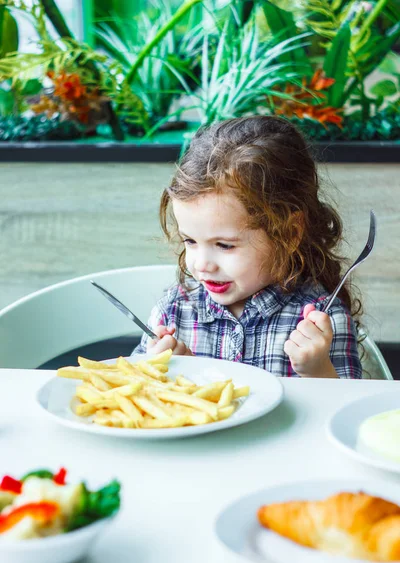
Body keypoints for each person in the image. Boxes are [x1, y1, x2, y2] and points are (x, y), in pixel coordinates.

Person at [133, 116, 362, 378]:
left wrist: (318, 370)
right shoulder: (173, 310)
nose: (201, 264)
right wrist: (164, 374)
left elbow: (346, 411)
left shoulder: (321, 319)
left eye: (224, 245)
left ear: (289, 233)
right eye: (190, 241)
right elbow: (135, 394)